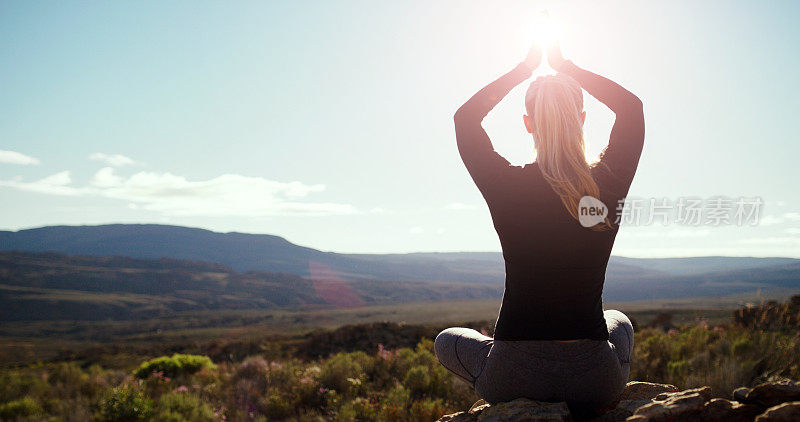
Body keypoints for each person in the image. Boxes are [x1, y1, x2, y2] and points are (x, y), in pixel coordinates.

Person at [435, 39, 645, 419]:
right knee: (621, 322)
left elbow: (464, 120)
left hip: (513, 375)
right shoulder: (607, 184)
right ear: (582, 119)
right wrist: (570, 69)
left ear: (527, 124)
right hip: (594, 379)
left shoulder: (506, 185)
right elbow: (631, 108)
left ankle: (492, 353)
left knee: (447, 340)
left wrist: (522, 70)